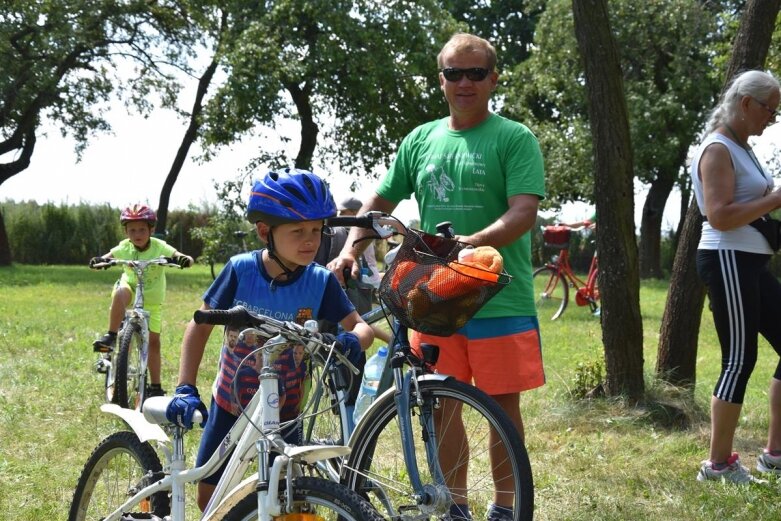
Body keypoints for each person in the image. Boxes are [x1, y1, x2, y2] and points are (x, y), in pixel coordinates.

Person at [327, 32, 545, 521]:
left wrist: (470, 242)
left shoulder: (514, 138)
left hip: (497, 298)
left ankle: (507, 508)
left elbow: (523, 212)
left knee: (502, 413)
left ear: (493, 78)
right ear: (441, 79)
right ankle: (457, 508)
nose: (464, 82)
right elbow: (378, 205)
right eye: (453, 73)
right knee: (441, 407)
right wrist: (348, 251)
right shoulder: (420, 139)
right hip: (433, 297)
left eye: (475, 73)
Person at [165, 168, 374, 511]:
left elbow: (360, 327)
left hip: (287, 411)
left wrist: (352, 341)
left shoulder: (320, 281)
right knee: (209, 498)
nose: (310, 240)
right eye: (297, 231)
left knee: (286, 499)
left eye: (316, 230)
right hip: (231, 404)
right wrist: (185, 386)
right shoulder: (240, 270)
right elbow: (198, 326)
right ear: (265, 231)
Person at [691, 69, 781, 484]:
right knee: (740, 360)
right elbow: (720, 216)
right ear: (747, 104)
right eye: (770, 109)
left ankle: (775, 454)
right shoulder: (716, 148)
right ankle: (718, 465)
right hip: (727, 258)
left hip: (750, 261)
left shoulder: (742, 148)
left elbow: (749, 202)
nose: (773, 118)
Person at [89, 204, 194, 397]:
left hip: (152, 301)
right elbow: (108, 257)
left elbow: (177, 255)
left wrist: (183, 259)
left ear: (151, 230)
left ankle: (155, 386)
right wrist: (100, 261)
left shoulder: (158, 246)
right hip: (130, 290)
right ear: (126, 231)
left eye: (142, 229)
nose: (137, 234)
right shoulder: (124, 247)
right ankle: (111, 336)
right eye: (132, 230)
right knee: (121, 292)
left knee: (154, 343)